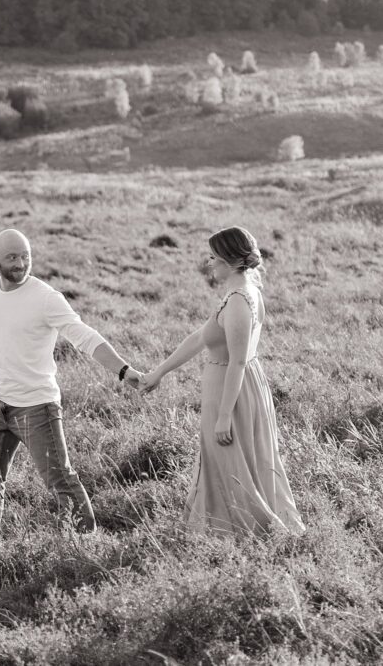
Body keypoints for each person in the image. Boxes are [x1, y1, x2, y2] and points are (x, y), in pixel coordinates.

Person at [0, 228, 141, 541]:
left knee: (60, 480)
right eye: (12, 257)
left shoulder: (45, 298)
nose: (21, 263)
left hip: (37, 407)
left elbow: (84, 336)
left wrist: (123, 370)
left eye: (26, 256)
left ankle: (87, 546)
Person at [140, 226, 304, 538]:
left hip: (234, 393)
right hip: (236, 387)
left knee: (230, 464)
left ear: (229, 261)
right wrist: (159, 372)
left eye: (214, 258)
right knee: (234, 462)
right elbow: (201, 337)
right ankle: (222, 531)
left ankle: (245, 533)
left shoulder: (241, 300)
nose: (209, 263)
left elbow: (238, 362)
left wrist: (225, 415)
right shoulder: (237, 293)